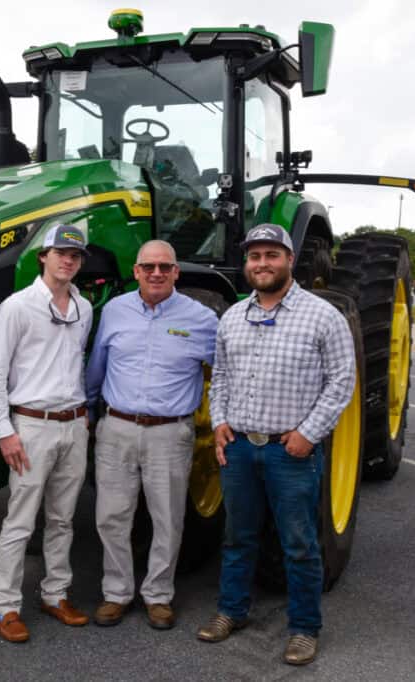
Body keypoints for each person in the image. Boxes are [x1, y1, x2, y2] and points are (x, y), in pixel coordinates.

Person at [195, 224, 355, 666]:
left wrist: (310, 433)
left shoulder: (322, 316)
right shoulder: (233, 317)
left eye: (271, 255)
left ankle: (304, 628)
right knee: (237, 537)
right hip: (241, 449)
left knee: (299, 542)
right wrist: (221, 421)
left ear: (288, 259)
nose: (261, 264)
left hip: (290, 452)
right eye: (254, 256)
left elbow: (342, 380)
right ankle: (232, 611)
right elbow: (221, 376)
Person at [85, 240, 219, 630]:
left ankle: (158, 596)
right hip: (117, 428)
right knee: (111, 515)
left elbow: (224, 373)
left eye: (164, 266)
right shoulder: (114, 311)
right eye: (148, 266)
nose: (156, 273)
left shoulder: (202, 318)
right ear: (137, 272)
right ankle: (116, 593)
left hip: (170, 433)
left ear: (177, 272)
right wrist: (91, 412)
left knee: (168, 518)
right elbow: (97, 366)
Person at [0, 224, 94, 643]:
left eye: (76, 255)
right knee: (20, 521)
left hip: (73, 424)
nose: (69, 260)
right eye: (61, 252)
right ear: (43, 257)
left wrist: (82, 416)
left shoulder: (84, 308)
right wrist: (4, 432)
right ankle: (6, 606)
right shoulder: (17, 307)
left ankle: (55, 594)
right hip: (30, 426)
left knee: (63, 519)